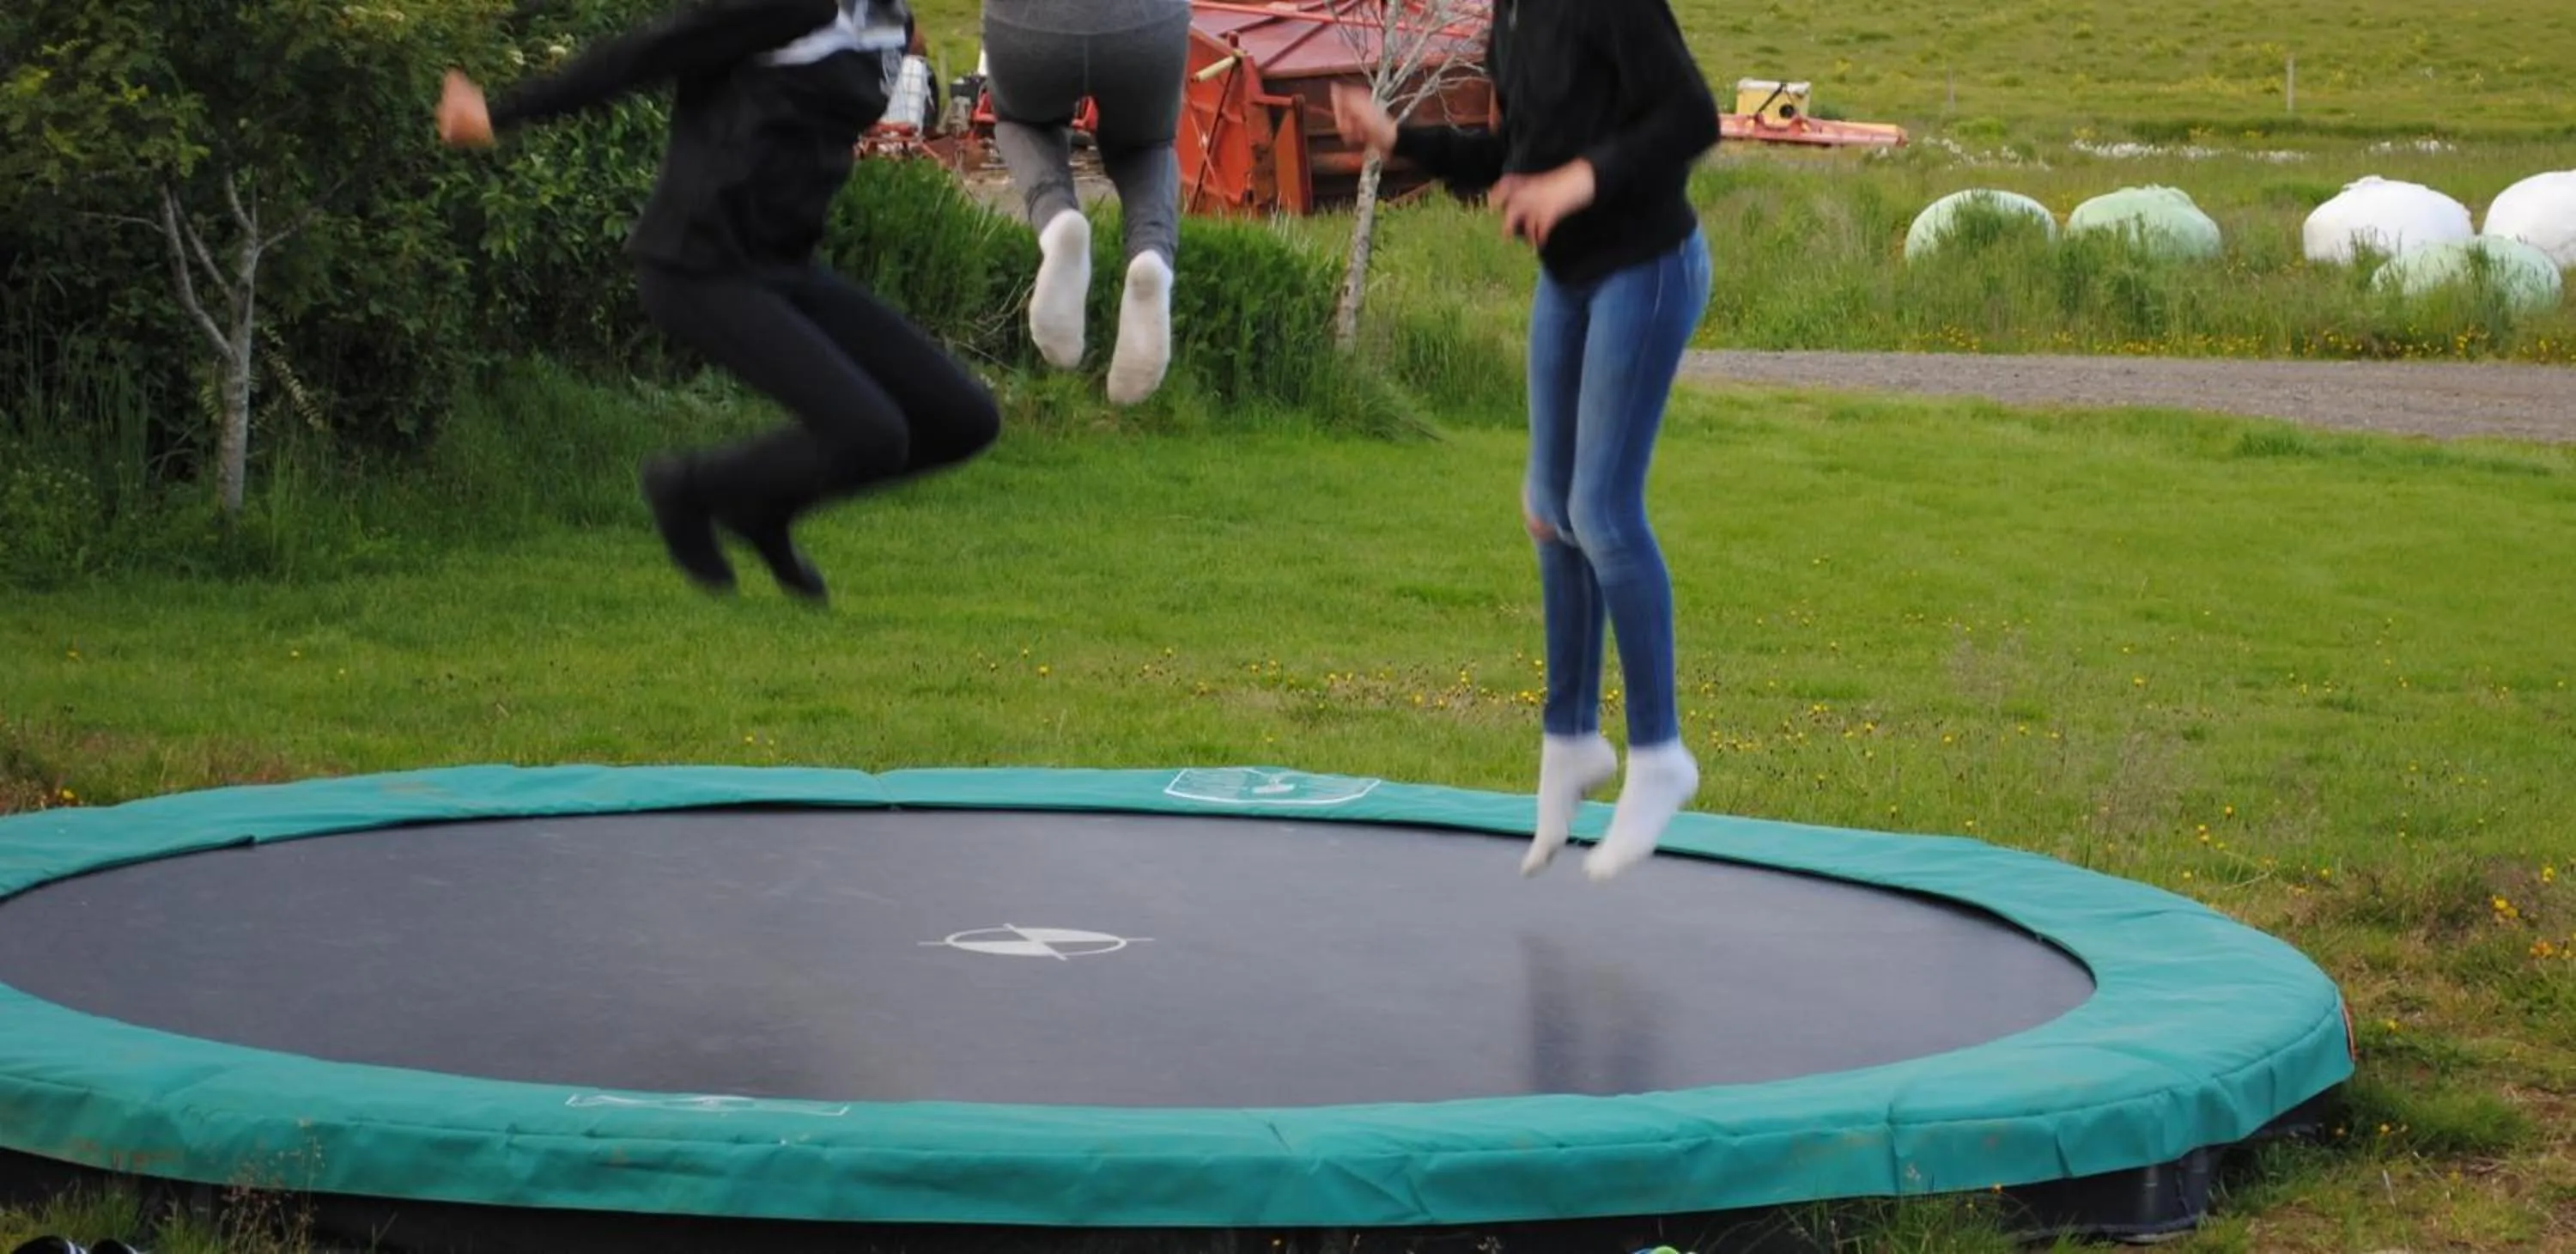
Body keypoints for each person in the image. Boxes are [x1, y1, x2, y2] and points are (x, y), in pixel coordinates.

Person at [1330, 0, 1719, 881]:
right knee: (1548, 510)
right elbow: (1515, 156)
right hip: (1572, 278)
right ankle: (1570, 738)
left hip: (1648, 267)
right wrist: (1402, 139)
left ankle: (1662, 754)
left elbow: (1692, 116)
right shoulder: (1511, 13)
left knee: (1602, 510)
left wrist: (1581, 179)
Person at [435, 0, 1002, 604]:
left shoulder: (888, 21)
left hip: (784, 269)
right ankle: (690, 490)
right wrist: (499, 113)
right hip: (697, 264)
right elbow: (649, 52)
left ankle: (763, 512)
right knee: (871, 432)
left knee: (962, 419)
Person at [978, 0, 1190, 405]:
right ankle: (1152, 257)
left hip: (1028, 27)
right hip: (1146, 26)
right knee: (1146, 147)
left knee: (1022, 122)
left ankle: (1058, 222)